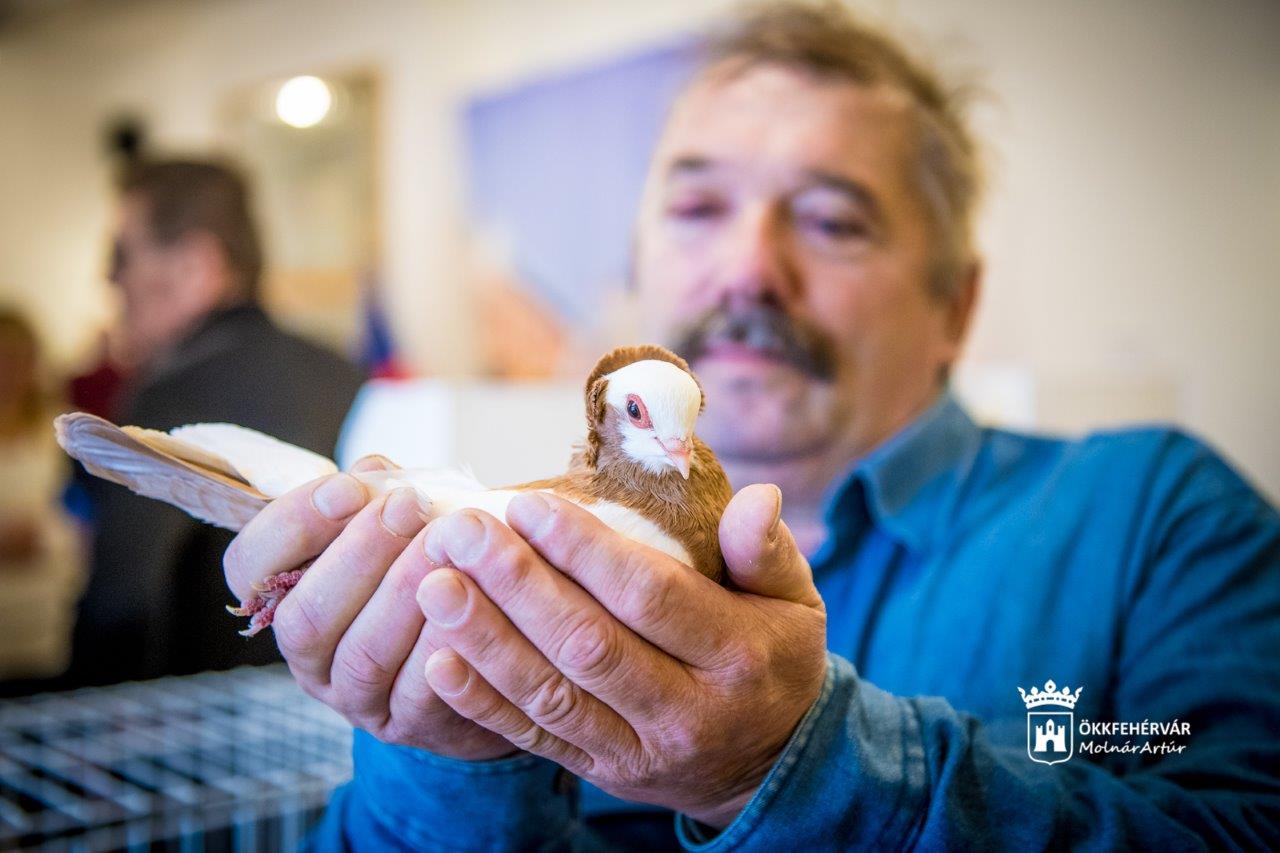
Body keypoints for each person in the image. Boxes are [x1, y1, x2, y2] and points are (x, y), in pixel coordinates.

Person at [222, 4, 1279, 849]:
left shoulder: (1155, 522)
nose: (745, 270)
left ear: (952, 305)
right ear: (637, 272)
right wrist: (454, 757)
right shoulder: (509, 567)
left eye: (829, 219)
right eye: (695, 210)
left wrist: (794, 767)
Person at [68, 159, 364, 686]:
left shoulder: (171, 394)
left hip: (197, 721)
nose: (109, 278)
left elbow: (124, 604)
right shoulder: (344, 373)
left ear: (195, 268)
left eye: (122, 254)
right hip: (335, 708)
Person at [0, 309, 84, 683]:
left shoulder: (65, 431)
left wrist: (45, 536)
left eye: (17, 358)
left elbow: (86, 516)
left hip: (45, 622)